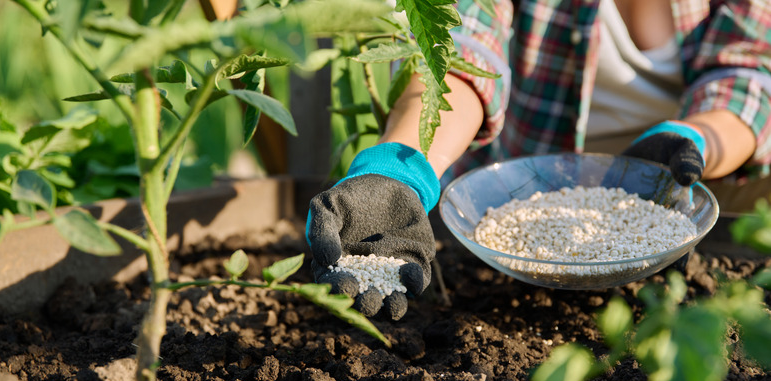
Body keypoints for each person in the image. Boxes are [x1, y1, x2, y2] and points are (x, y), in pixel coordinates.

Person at [307, 0, 771, 320]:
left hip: (677, 194)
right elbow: (460, 46)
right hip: (511, 196)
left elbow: (747, 71)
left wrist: (693, 138)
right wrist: (403, 168)